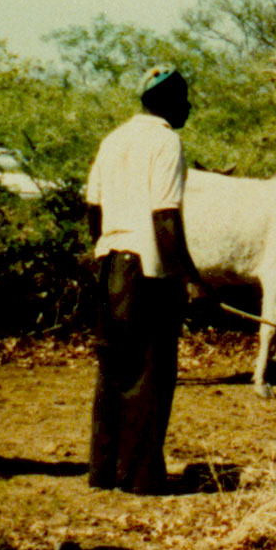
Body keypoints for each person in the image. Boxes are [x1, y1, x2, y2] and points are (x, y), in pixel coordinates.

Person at [83, 65, 201, 494]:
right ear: (169, 101)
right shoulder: (167, 141)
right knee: (150, 372)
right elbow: (165, 214)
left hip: (110, 264)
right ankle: (139, 477)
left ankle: (104, 470)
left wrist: (105, 250)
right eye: (185, 98)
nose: (188, 106)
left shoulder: (113, 140)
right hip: (148, 270)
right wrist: (187, 277)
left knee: (114, 368)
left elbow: (93, 208)